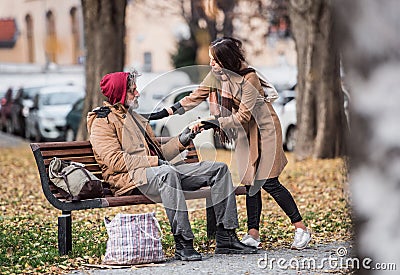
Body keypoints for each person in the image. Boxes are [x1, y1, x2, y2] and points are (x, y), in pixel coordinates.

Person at [150, 37, 312, 250]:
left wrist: (210, 122)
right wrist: (163, 112)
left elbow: (243, 116)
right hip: (244, 134)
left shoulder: (249, 79)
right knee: (250, 183)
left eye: (215, 60)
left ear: (226, 60)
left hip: (264, 130)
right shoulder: (216, 75)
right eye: (210, 59)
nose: (211, 64)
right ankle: (253, 234)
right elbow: (195, 96)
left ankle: (301, 228)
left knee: (268, 181)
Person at [87, 70, 258, 262]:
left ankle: (226, 237)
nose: (138, 94)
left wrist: (184, 139)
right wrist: (155, 162)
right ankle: (183, 243)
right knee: (167, 173)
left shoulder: (135, 117)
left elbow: (159, 154)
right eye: (132, 90)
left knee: (218, 170)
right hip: (130, 179)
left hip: (157, 172)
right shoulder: (102, 121)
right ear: (119, 94)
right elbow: (115, 160)